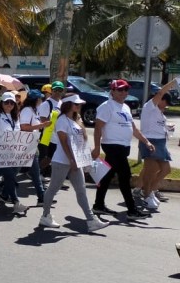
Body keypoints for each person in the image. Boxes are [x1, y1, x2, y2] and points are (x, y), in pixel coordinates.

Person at [37, 95, 109, 232]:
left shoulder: (77, 120)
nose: (79, 106)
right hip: (62, 161)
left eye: (80, 104)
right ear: (68, 105)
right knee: (53, 188)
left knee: (81, 190)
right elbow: (64, 143)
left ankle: (91, 220)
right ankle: (45, 216)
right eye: (76, 104)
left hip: (77, 161)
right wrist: (71, 160)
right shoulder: (62, 120)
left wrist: (85, 157)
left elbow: (81, 142)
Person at [91, 80, 153, 219]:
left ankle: (98, 205)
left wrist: (146, 142)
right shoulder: (106, 107)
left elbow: (134, 129)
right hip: (112, 146)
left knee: (107, 177)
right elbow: (98, 129)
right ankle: (132, 210)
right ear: (112, 91)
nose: (124, 93)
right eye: (120, 90)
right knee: (125, 177)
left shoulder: (125, 107)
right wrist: (96, 147)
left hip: (123, 147)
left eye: (126, 90)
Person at [135, 79, 178, 209]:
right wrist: (173, 83)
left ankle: (150, 191)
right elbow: (160, 93)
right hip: (150, 141)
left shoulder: (159, 112)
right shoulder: (150, 106)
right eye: (166, 102)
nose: (166, 105)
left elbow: (158, 125)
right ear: (159, 99)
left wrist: (168, 129)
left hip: (160, 142)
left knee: (165, 169)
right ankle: (147, 195)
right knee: (151, 169)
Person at [18, 90, 50, 203]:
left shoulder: (33, 110)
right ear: (36, 100)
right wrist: (42, 125)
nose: (42, 100)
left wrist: (40, 126)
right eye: (40, 98)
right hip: (27, 143)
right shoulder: (27, 110)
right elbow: (24, 127)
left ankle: (5, 192)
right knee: (35, 172)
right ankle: (42, 197)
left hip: (32, 142)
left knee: (16, 169)